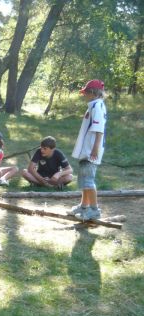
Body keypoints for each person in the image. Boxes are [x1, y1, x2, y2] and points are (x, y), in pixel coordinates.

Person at [68, 80, 107, 220]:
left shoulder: (97, 106)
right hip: (87, 149)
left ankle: (94, 210)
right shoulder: (93, 105)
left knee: (89, 180)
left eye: (85, 92)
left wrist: (95, 149)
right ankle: (84, 206)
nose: (84, 95)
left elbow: (99, 130)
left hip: (91, 150)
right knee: (84, 179)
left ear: (92, 93)